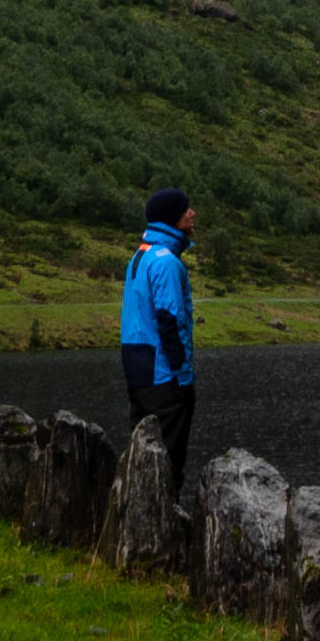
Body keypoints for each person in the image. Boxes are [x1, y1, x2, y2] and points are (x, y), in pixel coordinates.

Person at [117, 185, 196, 465]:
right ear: (171, 217)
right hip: (164, 376)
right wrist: (183, 377)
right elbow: (170, 321)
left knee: (143, 456)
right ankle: (164, 508)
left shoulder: (141, 254)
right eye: (185, 209)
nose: (192, 213)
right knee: (168, 461)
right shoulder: (166, 262)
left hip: (139, 369)